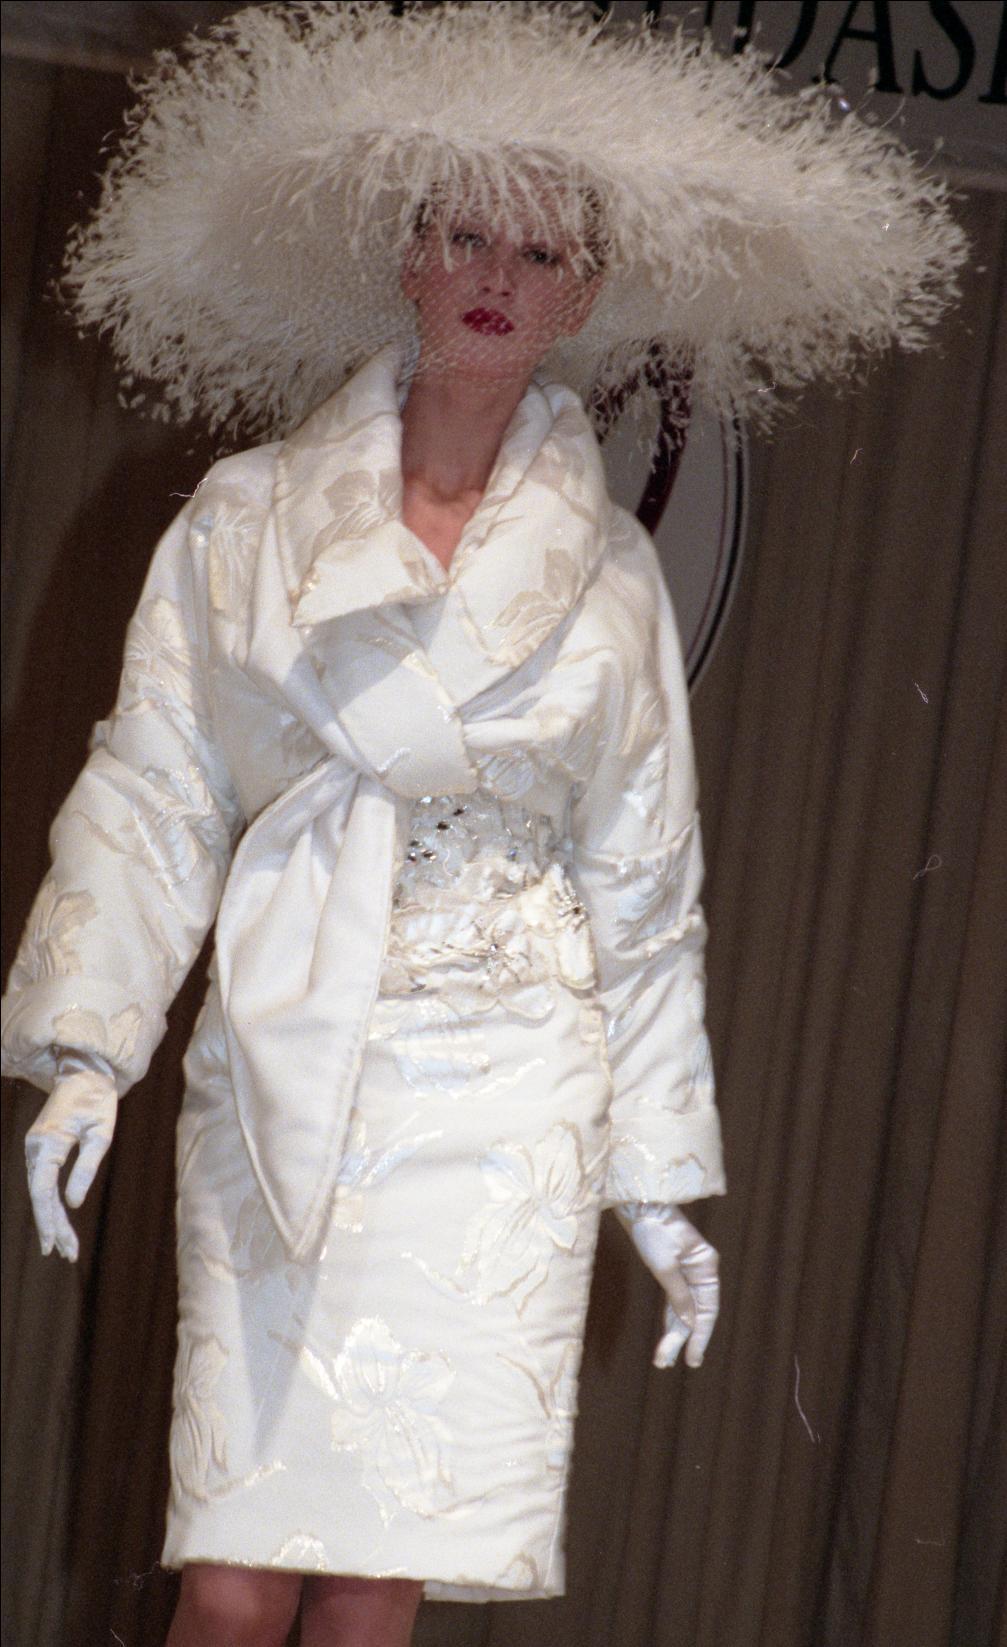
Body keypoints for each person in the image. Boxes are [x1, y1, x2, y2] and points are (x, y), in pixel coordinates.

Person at [1, 6, 965, 1645]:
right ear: (407, 254)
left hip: (506, 1085)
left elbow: (644, 885)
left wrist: (657, 1177)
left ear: (587, 296)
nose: (497, 276)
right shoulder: (243, 522)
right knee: (229, 1585)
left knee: (375, 1585)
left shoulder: (611, 580)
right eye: (465, 235)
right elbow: (156, 781)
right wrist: (90, 1047)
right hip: (290, 1044)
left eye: (541, 250)